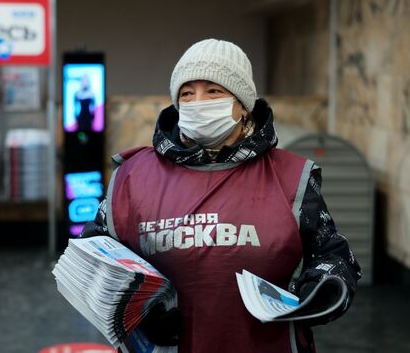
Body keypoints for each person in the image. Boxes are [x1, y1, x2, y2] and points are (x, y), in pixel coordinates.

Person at [81, 38, 362, 352]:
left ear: (242, 105)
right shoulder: (132, 177)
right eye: (187, 93)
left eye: (213, 91)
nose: (197, 102)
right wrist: (134, 317)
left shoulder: (291, 178)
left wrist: (319, 289)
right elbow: (91, 261)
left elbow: (333, 256)